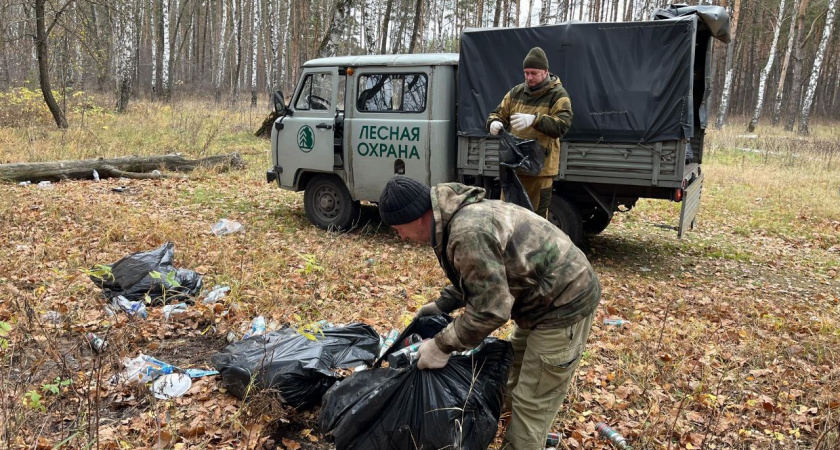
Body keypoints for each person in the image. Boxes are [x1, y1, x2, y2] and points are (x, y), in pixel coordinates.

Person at [379, 175, 600, 450]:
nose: (401, 237)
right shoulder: (452, 217)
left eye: (400, 228)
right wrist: (443, 304)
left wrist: (441, 345)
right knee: (510, 372)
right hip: (538, 298)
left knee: (532, 403)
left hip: (564, 303)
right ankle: (501, 426)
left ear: (419, 217)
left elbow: (491, 310)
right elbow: (481, 277)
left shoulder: (467, 232)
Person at [486, 47, 573, 218]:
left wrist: (535, 119)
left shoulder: (558, 95)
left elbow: (562, 126)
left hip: (540, 170)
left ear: (545, 71)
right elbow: (497, 113)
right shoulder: (517, 92)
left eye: (534, 73)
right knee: (508, 217)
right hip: (514, 168)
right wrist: (493, 122)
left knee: (536, 220)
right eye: (526, 73)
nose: (529, 77)